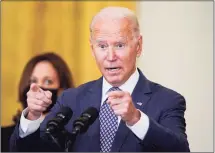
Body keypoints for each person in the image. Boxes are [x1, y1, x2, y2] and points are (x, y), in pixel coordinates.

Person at [10, 7, 190, 152]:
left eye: (120, 45)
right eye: (102, 46)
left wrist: (135, 119)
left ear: (138, 46)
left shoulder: (168, 100)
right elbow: (31, 149)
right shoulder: (72, 99)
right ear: (92, 48)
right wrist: (32, 116)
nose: (110, 56)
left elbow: (179, 149)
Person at [1, 52, 74, 152]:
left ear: (62, 90)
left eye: (48, 81)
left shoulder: (72, 141)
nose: (38, 88)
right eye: (33, 81)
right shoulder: (4, 137)